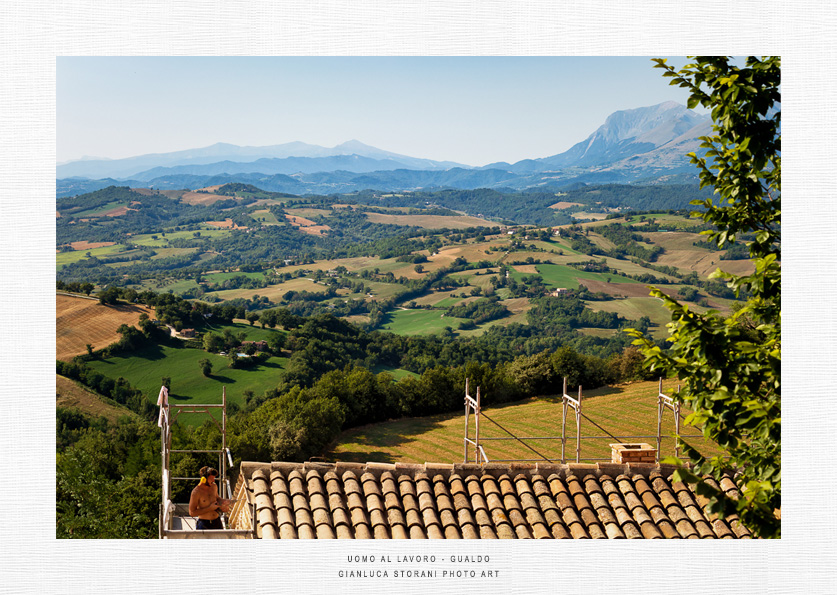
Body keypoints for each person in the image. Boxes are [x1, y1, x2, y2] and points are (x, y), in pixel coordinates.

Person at [188, 466, 229, 530]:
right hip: (204, 524)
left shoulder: (214, 486)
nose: (213, 480)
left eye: (214, 478)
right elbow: (192, 513)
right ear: (204, 479)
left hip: (217, 521)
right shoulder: (196, 492)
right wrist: (210, 508)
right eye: (211, 478)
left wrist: (224, 502)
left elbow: (217, 498)